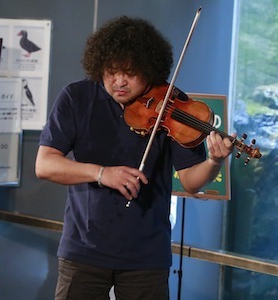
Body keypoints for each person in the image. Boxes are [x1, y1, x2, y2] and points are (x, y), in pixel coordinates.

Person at [35, 16, 235, 300]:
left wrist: (214, 161)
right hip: (83, 251)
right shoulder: (77, 97)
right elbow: (45, 164)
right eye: (111, 72)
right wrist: (102, 173)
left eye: (130, 73)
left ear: (150, 70)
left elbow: (191, 182)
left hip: (147, 256)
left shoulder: (171, 102)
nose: (119, 82)